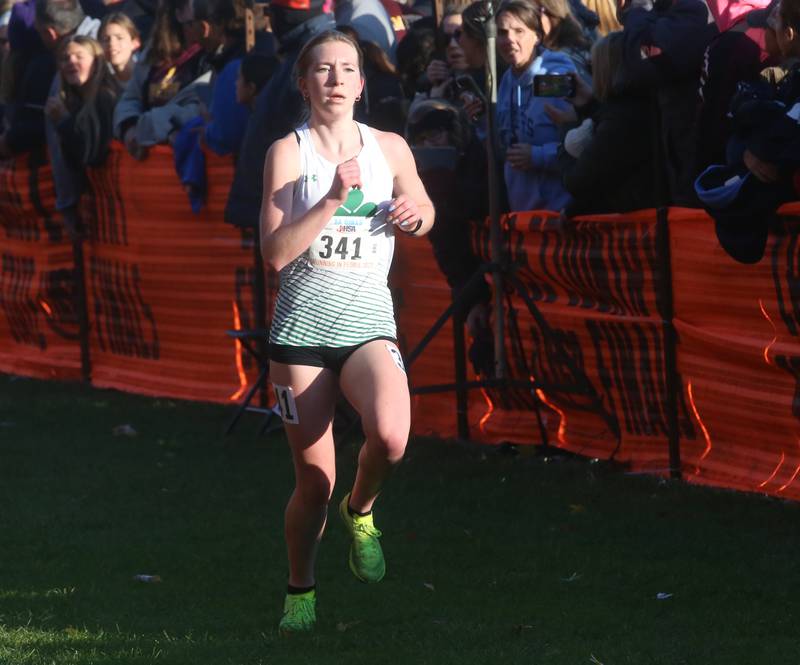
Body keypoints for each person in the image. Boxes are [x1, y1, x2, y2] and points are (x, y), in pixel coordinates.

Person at [260, 29, 434, 633]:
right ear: (304, 83)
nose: (335, 79)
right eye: (323, 70)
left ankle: (361, 511)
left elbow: (424, 208)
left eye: (347, 69)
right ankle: (300, 589)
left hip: (366, 323)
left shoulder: (390, 147)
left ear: (362, 84)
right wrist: (332, 198)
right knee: (314, 480)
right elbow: (275, 253)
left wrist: (416, 216)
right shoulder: (289, 152)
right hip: (301, 332)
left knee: (390, 437)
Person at [495, 0, 576, 213]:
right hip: (521, 214)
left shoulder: (551, 76)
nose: (509, 39)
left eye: (519, 31)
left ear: (537, 36)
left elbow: (583, 138)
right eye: (502, 32)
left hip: (559, 211)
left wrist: (538, 155)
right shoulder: (506, 80)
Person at [44, 34, 120, 169]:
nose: (71, 62)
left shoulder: (104, 98)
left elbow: (93, 154)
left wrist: (63, 121)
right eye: (65, 58)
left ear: (96, 63)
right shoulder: (74, 102)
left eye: (79, 56)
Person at [98, 11, 140, 82]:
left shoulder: (148, 75)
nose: (111, 43)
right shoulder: (103, 86)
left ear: (135, 43)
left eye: (119, 38)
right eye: (106, 39)